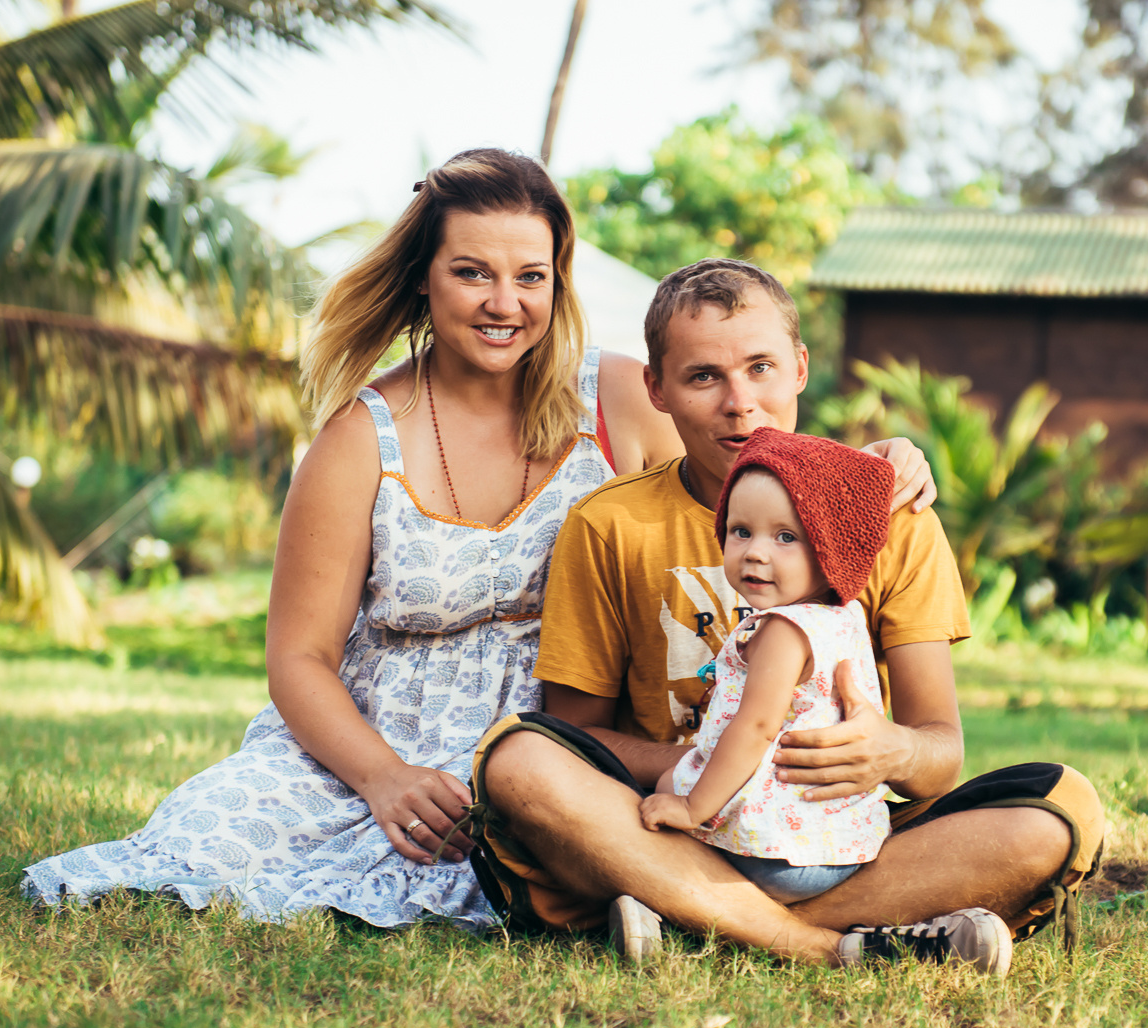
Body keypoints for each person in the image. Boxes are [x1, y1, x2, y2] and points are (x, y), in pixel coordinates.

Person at [22, 151, 935, 930]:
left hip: (563, 745)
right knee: (209, 845)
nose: (506, 303)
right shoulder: (358, 438)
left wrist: (878, 461)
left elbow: (749, 459)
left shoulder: (618, 396)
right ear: (425, 275)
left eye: (531, 276)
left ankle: (739, 908)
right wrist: (384, 779)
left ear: (558, 280)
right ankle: (785, 924)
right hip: (379, 750)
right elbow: (299, 658)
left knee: (579, 828)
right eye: (473, 273)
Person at [464, 258, 1108, 972]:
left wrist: (889, 751)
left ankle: (677, 914)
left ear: (800, 366)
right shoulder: (610, 524)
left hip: (834, 840)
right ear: (657, 388)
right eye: (704, 376)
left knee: (1057, 811)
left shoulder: (890, 514)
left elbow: (939, 753)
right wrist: (716, 767)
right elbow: (579, 736)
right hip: (673, 827)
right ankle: (826, 946)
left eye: (761, 367)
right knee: (518, 760)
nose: (741, 403)